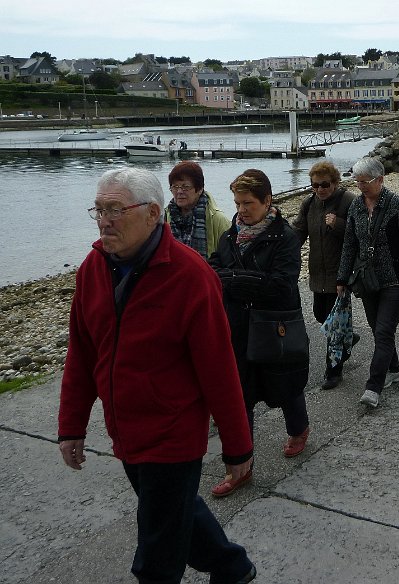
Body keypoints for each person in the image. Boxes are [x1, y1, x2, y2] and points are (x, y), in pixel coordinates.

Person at [58, 168, 256, 584]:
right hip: (124, 429)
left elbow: (219, 369)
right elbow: (81, 353)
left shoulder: (190, 276)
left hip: (173, 433)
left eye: (115, 209)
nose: (104, 220)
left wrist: (237, 448)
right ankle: (232, 566)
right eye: (98, 209)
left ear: (152, 214)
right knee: (173, 510)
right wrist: (71, 425)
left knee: (156, 553)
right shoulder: (92, 269)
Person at [209, 169, 310, 496]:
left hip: (276, 328)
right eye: (237, 202)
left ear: (268, 201)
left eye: (248, 203)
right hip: (238, 330)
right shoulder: (229, 236)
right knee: (240, 397)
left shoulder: (286, 237)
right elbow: (213, 269)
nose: (241, 209)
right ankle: (240, 465)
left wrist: (233, 279)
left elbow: (281, 284)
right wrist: (239, 279)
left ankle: (299, 429)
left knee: (286, 387)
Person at [336, 157, 399, 408]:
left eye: (366, 181)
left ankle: (373, 386)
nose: (361, 186)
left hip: (396, 279)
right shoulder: (356, 207)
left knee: (384, 331)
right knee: (379, 331)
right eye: (358, 181)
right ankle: (394, 369)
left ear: (380, 179)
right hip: (367, 280)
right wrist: (342, 277)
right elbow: (349, 244)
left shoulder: (396, 204)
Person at [292, 161, 357, 390]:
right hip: (318, 273)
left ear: (336, 183)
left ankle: (333, 371)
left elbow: (359, 234)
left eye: (325, 184)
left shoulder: (348, 201)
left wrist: (337, 224)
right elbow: (298, 232)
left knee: (334, 326)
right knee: (321, 316)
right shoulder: (309, 204)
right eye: (315, 185)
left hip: (340, 274)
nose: (320, 189)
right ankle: (348, 338)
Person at [165, 161, 229, 258]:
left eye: (185, 187)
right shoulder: (163, 218)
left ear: (199, 189)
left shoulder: (218, 220)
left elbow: (228, 259)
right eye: (175, 187)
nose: (179, 192)